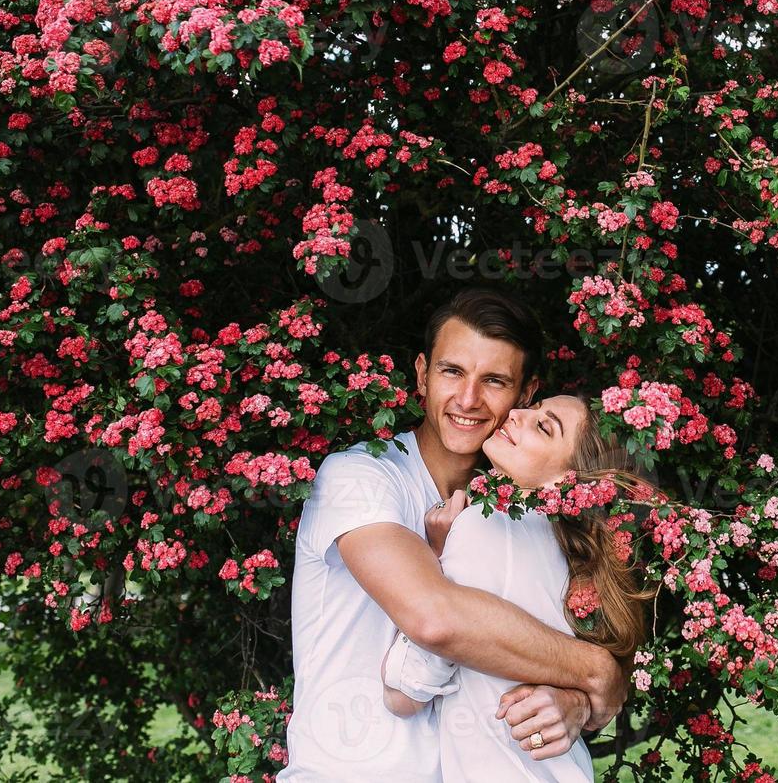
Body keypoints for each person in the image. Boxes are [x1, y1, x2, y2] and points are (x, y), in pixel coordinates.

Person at [280, 288, 627, 782]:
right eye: (452, 372)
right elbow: (433, 617)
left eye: (494, 380)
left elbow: (535, 645)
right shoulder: (359, 476)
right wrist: (597, 674)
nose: (468, 399)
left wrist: (572, 699)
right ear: (421, 374)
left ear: (525, 394)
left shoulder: (525, 522)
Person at [379, 393, 654, 781]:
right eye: (535, 407)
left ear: (568, 479)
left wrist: (434, 562)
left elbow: (403, 695)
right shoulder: (570, 560)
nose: (518, 414)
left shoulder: (487, 524)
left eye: (544, 426)